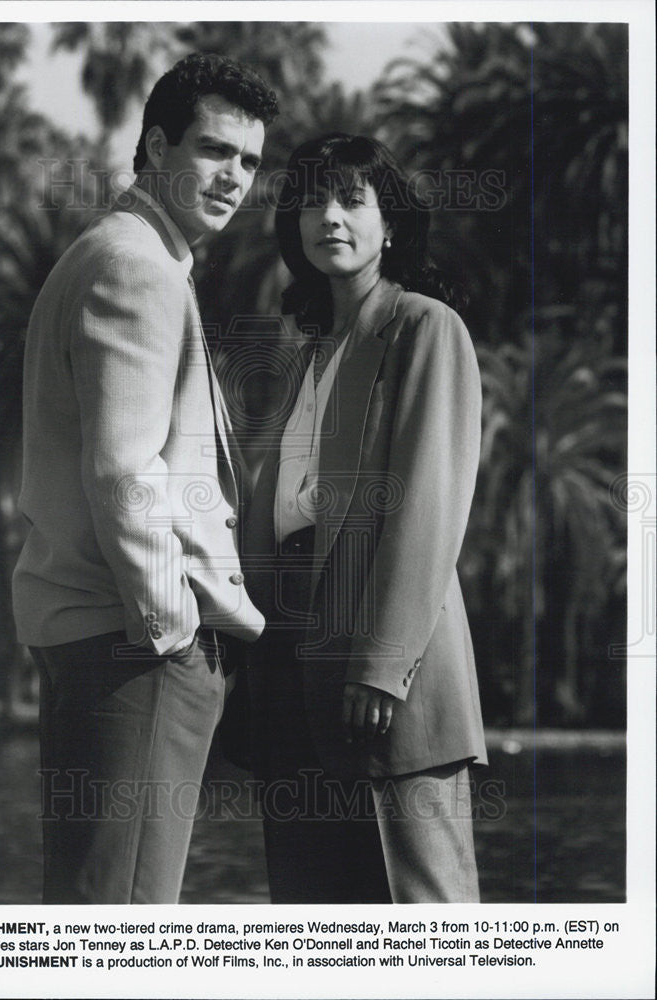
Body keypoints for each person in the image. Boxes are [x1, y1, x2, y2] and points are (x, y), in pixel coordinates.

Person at [11, 53, 278, 904]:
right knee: (125, 923)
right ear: (156, 147)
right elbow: (124, 474)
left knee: (94, 911)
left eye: (249, 161)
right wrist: (175, 634)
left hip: (98, 635)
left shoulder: (116, 252)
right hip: (136, 645)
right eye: (213, 150)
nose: (233, 177)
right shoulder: (138, 269)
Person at [241, 133, 487, 903]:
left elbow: (428, 506)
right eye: (312, 199)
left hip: (388, 685)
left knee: (421, 926)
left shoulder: (423, 329)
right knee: (314, 927)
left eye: (350, 198)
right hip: (290, 679)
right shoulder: (307, 356)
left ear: (390, 224)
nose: (329, 217)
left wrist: (381, 665)